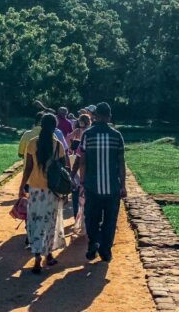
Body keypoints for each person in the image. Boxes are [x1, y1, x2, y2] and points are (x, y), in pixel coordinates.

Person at [73, 101, 125, 262]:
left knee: (91, 217)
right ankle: (105, 250)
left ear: (95, 116)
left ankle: (93, 243)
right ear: (109, 117)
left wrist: (81, 182)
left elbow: (82, 161)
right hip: (112, 187)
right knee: (110, 219)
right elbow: (121, 163)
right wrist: (123, 185)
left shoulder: (87, 135)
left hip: (92, 185)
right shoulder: (117, 136)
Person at [18, 113, 67, 274]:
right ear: (55, 127)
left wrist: (21, 186)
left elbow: (28, 168)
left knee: (36, 222)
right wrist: (66, 193)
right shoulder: (58, 145)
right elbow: (62, 170)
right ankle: (49, 254)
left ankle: (37, 256)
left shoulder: (33, 143)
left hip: (35, 189)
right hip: (52, 190)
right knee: (50, 223)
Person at [68, 112, 91, 232]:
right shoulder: (91, 133)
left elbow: (78, 161)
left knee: (77, 195)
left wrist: (71, 175)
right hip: (91, 174)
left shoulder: (79, 133)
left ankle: (78, 220)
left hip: (80, 173)